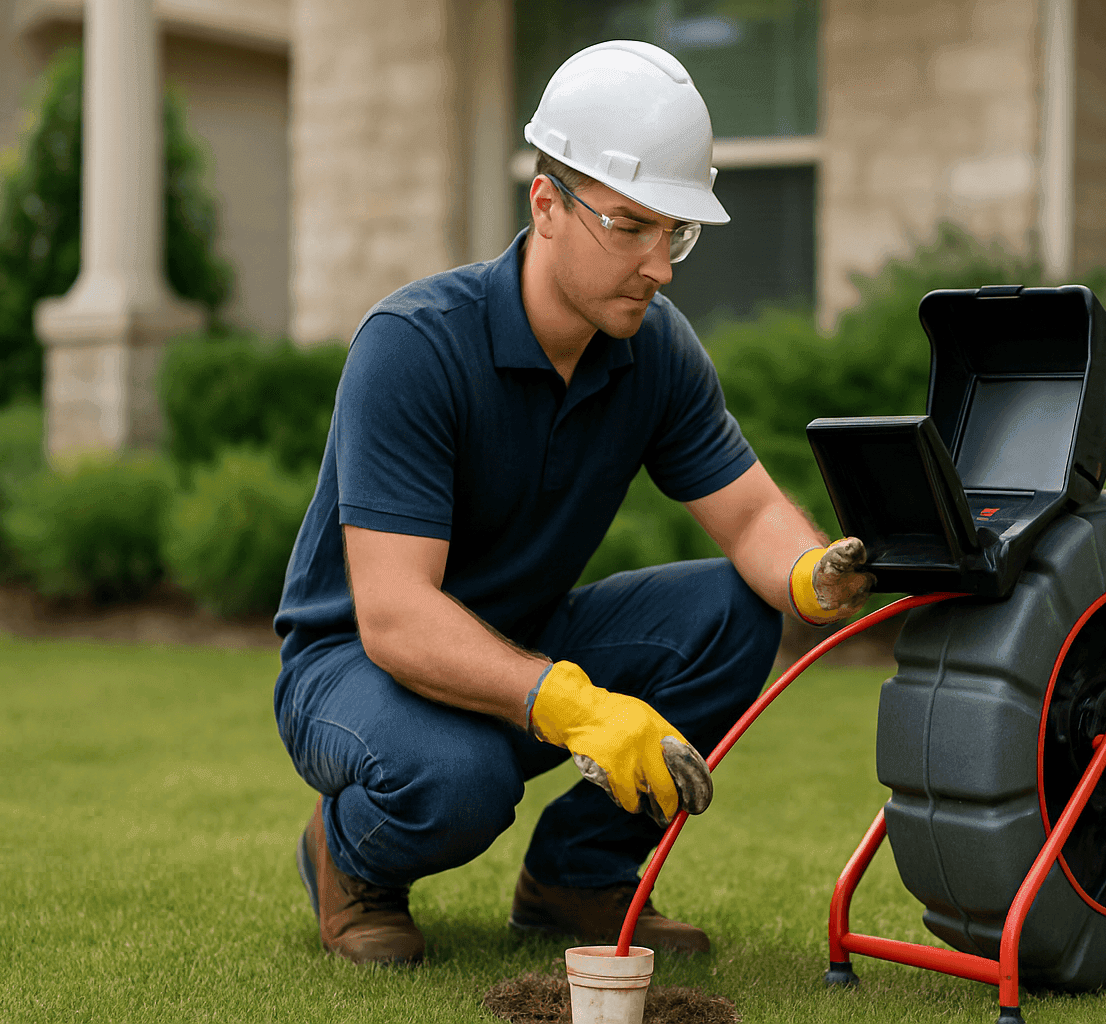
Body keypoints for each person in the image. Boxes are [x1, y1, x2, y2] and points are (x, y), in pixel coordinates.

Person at [272, 39, 873, 966]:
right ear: (546, 206)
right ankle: (348, 857)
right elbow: (394, 616)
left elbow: (755, 517)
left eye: (675, 232)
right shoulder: (414, 347)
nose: (660, 266)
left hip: (524, 634)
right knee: (460, 781)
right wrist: (576, 705)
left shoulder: (654, 349)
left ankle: (579, 876)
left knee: (734, 612)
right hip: (355, 664)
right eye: (631, 227)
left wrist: (809, 576)